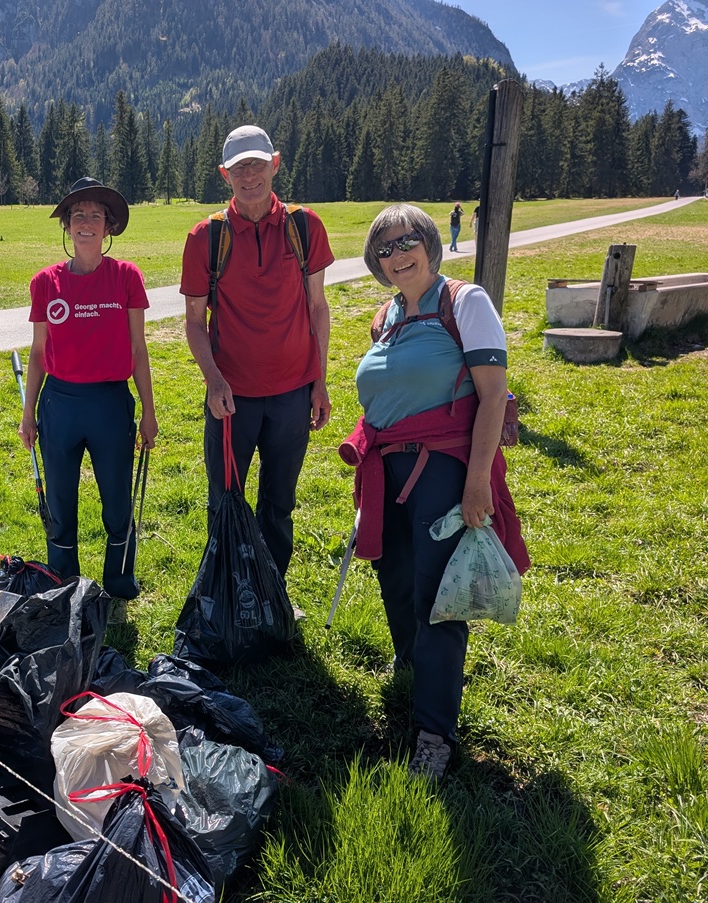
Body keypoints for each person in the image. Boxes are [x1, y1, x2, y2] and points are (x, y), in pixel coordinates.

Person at [339, 204, 529, 780]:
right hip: (389, 470)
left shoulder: (465, 302)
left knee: (438, 595)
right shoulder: (386, 315)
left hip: (445, 467)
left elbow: (492, 396)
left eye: (405, 243)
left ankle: (434, 732)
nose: (396, 256)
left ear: (429, 242)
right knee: (393, 576)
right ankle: (410, 664)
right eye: (384, 250)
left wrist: (476, 484)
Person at [181, 125, 334, 577]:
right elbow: (193, 321)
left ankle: (272, 592)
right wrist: (213, 381)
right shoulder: (205, 237)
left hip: (292, 393)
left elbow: (318, 307)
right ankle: (227, 593)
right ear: (224, 174)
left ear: (276, 164)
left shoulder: (304, 226)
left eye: (258, 163)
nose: (250, 175)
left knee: (279, 503)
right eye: (239, 167)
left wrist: (320, 381)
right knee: (225, 499)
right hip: (231, 398)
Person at [18, 177, 158, 600]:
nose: (85, 223)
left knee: (117, 498)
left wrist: (148, 412)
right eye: (77, 215)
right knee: (60, 501)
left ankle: (118, 581)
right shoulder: (45, 283)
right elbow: (39, 352)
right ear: (66, 225)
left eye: (95, 215)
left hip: (111, 404)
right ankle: (64, 585)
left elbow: (138, 348)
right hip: (59, 404)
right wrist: (29, 413)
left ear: (108, 227)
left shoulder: (127, 277)